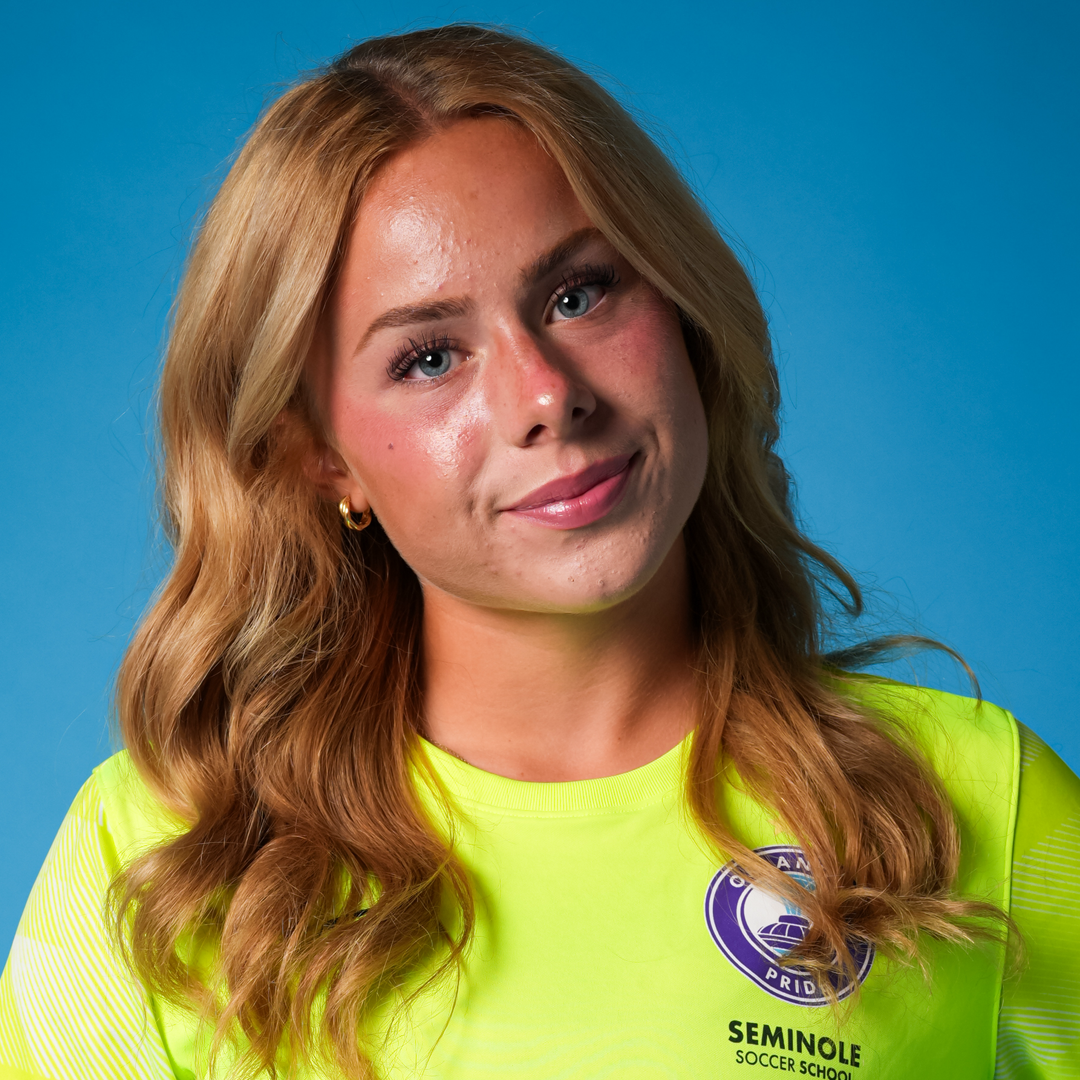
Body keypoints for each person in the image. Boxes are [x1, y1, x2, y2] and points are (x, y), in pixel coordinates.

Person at [0, 24, 1076, 1080]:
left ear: (682, 303)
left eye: (579, 294)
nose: (548, 395)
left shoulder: (978, 802)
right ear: (320, 456)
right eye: (429, 358)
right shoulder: (158, 865)